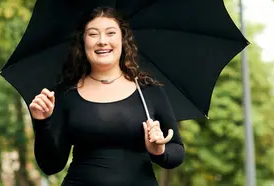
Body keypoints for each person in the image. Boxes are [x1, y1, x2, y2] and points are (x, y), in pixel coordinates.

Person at [28, 6, 185, 186]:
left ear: (123, 39)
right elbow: (51, 166)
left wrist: (159, 150)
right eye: (93, 34)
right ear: (83, 42)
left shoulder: (148, 91)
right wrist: (41, 122)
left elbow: (177, 153)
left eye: (110, 33)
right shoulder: (65, 94)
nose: (102, 41)